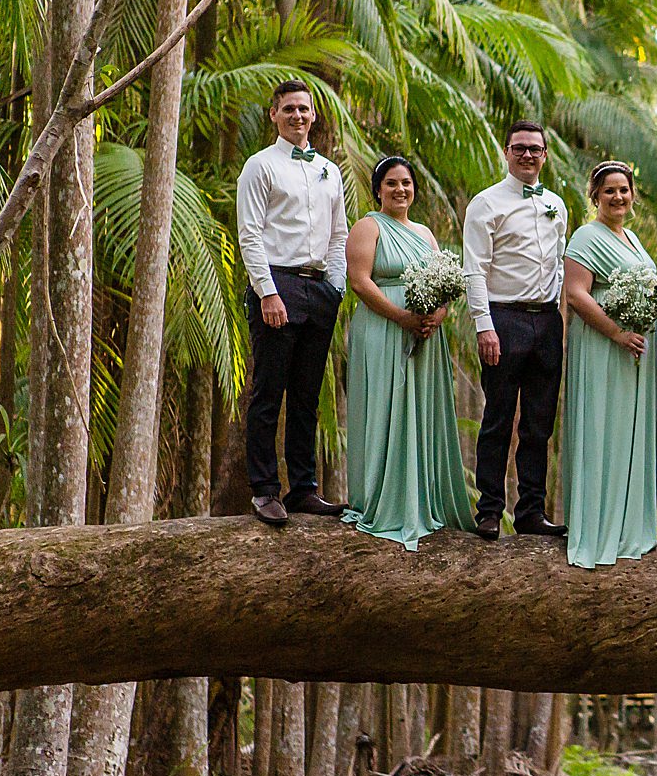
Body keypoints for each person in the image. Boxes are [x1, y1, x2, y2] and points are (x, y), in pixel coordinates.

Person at [340, 157, 475, 549]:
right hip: (383, 329)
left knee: (420, 410)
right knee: (386, 405)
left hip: (425, 335)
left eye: (407, 183)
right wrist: (401, 317)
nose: (400, 190)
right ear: (378, 189)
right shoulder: (368, 227)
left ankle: (422, 499)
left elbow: (446, 284)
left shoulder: (426, 233)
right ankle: (382, 501)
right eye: (392, 183)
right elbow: (360, 282)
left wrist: (437, 315)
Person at [236, 79, 349, 525]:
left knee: (307, 395)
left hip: (319, 289)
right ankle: (265, 490)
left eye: (304, 109)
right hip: (277, 285)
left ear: (314, 116)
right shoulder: (260, 167)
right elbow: (250, 234)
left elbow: (339, 233)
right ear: (274, 115)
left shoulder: (329, 170)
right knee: (268, 393)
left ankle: (304, 488)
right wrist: (267, 292)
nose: (298, 116)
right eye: (289, 110)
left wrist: (335, 287)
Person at [463, 121, 570, 541]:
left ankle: (531, 511)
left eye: (535, 149)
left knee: (539, 425)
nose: (528, 155)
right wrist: (484, 325)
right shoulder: (486, 203)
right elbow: (475, 268)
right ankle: (489, 510)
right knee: (497, 419)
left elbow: (560, 264)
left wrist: (558, 322)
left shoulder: (557, 205)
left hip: (545, 321)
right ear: (506, 152)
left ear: (545, 155)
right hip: (503, 319)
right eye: (520, 148)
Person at [560, 162, 657, 568]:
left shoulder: (633, 238)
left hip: (635, 351)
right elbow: (576, 294)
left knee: (627, 432)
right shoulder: (586, 236)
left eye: (624, 190)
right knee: (601, 429)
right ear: (595, 196)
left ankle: (627, 526)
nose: (618, 197)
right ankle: (597, 527)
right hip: (603, 347)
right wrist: (616, 333)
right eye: (609, 192)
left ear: (632, 194)